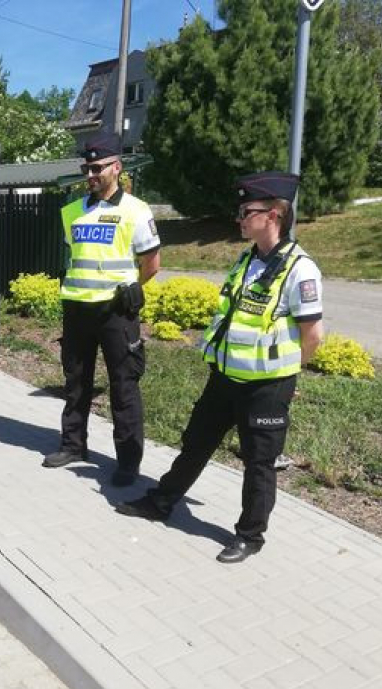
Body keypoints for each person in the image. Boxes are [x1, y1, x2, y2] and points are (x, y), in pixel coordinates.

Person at [116, 172, 324, 563]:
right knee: (196, 444)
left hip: (266, 388)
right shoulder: (247, 259)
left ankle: (249, 536)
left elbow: (312, 335)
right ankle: (162, 501)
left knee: (258, 464)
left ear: (276, 213)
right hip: (225, 378)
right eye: (241, 210)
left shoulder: (301, 269)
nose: (240, 218)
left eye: (248, 211)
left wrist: (288, 378)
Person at [42, 131, 161, 487]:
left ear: (116, 167)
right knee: (76, 381)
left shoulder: (136, 211)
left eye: (97, 167)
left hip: (116, 314)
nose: (90, 174)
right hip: (78, 310)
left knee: (124, 387)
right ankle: (73, 445)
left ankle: (128, 462)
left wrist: (134, 289)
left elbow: (151, 263)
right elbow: (77, 258)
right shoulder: (73, 212)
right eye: (86, 167)